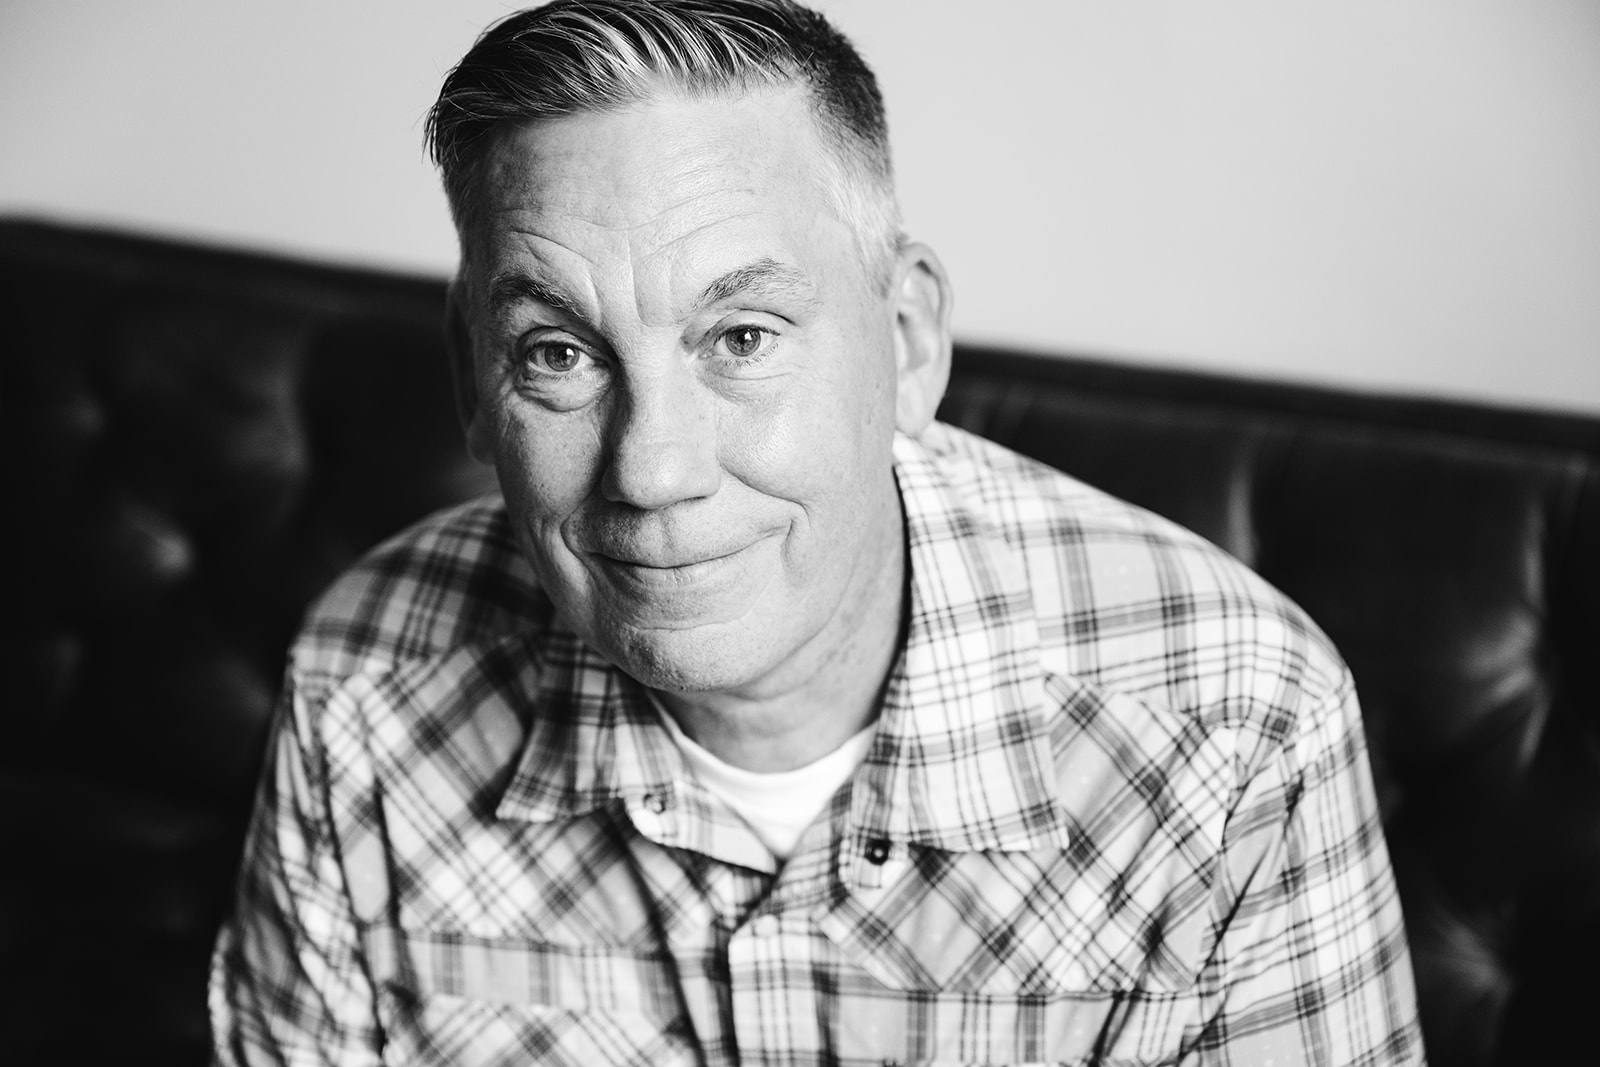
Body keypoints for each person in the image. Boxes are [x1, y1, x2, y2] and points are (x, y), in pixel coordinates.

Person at [209, 1, 1425, 1063]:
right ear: (475, 382)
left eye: (741, 336)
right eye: (560, 354)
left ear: (905, 340)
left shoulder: (1234, 730)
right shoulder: (363, 690)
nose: (654, 469)